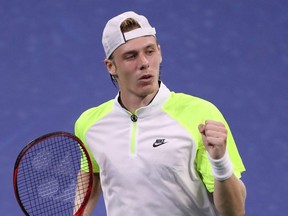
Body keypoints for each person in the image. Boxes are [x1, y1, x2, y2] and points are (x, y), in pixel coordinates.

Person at [75, 11, 246, 216]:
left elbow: (234, 212)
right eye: (131, 56)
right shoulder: (90, 124)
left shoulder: (201, 114)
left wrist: (220, 163)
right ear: (111, 66)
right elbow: (91, 176)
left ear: (160, 52)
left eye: (149, 51)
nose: (144, 63)